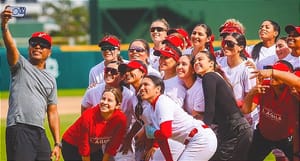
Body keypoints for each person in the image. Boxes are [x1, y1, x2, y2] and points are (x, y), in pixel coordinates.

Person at [1, 7, 61, 161]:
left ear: (50, 51)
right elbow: (11, 46)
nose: (38, 47)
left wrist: (57, 143)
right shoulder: (20, 65)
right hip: (19, 127)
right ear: (29, 48)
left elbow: (52, 112)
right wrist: (4, 26)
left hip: (39, 132)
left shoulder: (51, 79)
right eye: (34, 43)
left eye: (42, 45)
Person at [139, 75, 217, 161]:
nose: (142, 88)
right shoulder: (149, 110)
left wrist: (153, 132)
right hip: (190, 141)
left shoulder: (162, 102)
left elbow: (166, 133)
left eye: (146, 84)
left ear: (158, 89)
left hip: (201, 139)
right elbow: (162, 140)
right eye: (141, 85)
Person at [193, 50, 253, 160]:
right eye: (194, 61)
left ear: (211, 63)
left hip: (235, 130)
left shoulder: (209, 76)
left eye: (200, 59)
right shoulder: (214, 76)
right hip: (236, 129)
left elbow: (210, 108)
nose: (196, 62)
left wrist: (203, 130)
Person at [242, 60, 298, 161]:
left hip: (287, 137)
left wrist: (272, 72)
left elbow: (297, 81)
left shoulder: (293, 90)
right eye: (272, 70)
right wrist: (251, 93)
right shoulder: (265, 85)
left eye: (278, 72)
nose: (272, 75)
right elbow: (246, 110)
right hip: (263, 135)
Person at [62, 87, 127, 161]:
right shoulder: (88, 116)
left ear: (117, 105)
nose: (104, 102)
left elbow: (112, 146)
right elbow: (84, 146)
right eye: (103, 99)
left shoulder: (121, 119)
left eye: (109, 100)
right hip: (72, 145)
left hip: (94, 147)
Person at [176, 54, 205, 120]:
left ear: (193, 70)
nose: (179, 67)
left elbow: (197, 118)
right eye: (178, 64)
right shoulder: (178, 83)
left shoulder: (200, 88)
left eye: (184, 64)